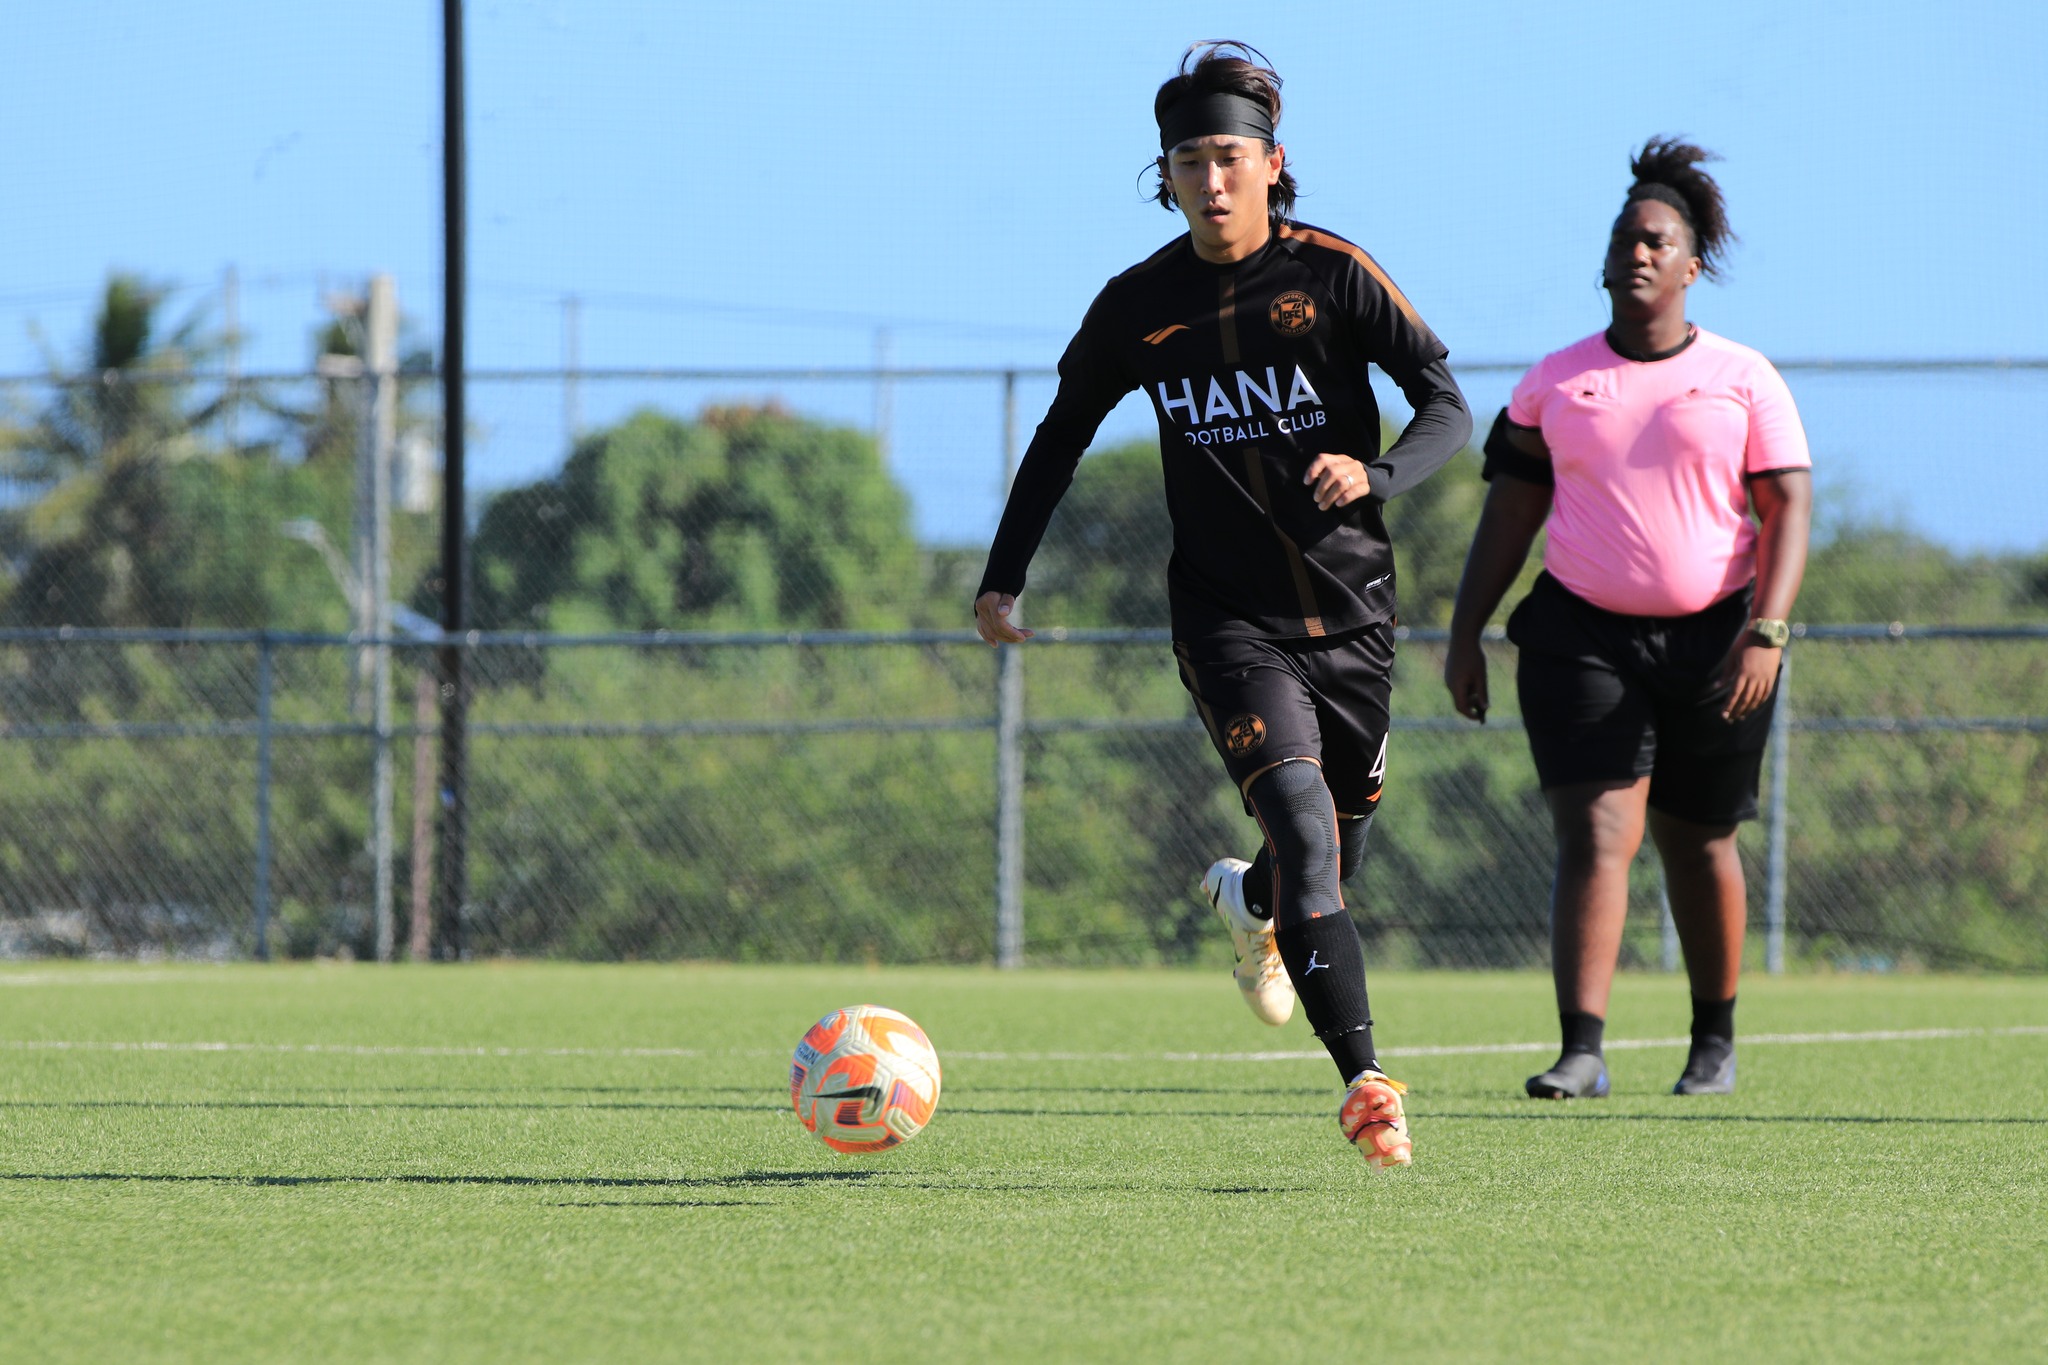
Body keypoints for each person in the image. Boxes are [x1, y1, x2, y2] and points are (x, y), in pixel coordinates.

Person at [974, 42, 1470, 1167]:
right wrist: (1002, 577)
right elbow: (1059, 441)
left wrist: (1377, 473)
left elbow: (1444, 403)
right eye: (1187, 160)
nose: (1209, 178)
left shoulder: (1334, 273)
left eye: (1228, 157)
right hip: (1224, 621)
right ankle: (1367, 1087)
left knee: (1327, 847)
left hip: (1352, 614)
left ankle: (1247, 904)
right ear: (1166, 174)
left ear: (1271, 162)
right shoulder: (1136, 305)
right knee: (1305, 831)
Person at [1443, 138, 1812, 1098]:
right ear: (1605, 260)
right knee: (1597, 833)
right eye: (1625, 239)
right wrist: (1464, 630)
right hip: (1581, 634)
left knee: (1699, 838)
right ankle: (1582, 1048)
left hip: (1721, 638)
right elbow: (1511, 515)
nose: (1638, 253)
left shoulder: (1745, 378)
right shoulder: (1554, 382)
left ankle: (1714, 1042)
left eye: (1657, 241)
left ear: (1693, 266)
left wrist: (1766, 630)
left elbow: (1788, 509)